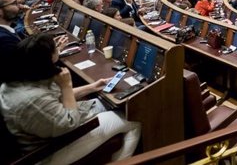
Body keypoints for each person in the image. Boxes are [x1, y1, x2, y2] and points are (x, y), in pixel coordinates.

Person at [0, 34, 141, 162]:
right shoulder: (32, 99)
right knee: (133, 120)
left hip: (51, 131)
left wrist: (93, 87)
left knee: (106, 104)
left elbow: (55, 98)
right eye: (56, 51)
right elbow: (69, 123)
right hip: (51, 150)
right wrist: (66, 85)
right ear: (44, 61)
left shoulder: (17, 80)